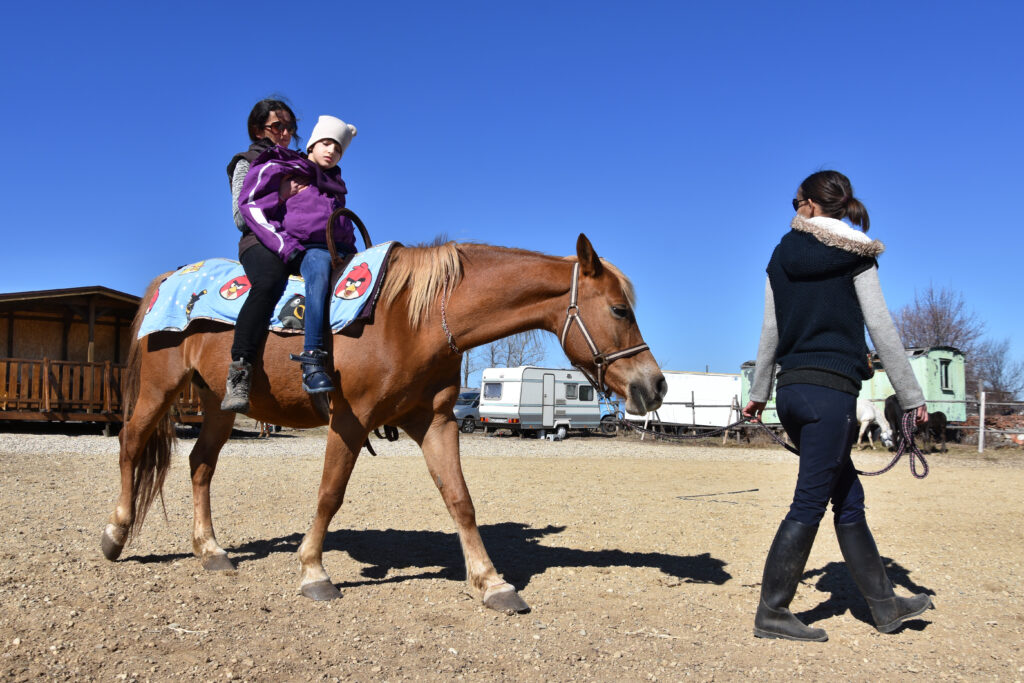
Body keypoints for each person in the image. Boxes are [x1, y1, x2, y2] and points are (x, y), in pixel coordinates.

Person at [743, 170, 933, 642]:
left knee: (848, 500)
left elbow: (771, 331)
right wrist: (910, 397)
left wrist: (759, 392)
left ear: (808, 204)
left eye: (794, 200)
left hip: (792, 393)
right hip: (831, 394)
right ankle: (772, 611)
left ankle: (886, 606)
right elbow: (882, 328)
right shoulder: (858, 254)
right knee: (809, 500)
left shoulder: (780, 255)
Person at [237, 115, 358, 394]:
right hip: (307, 249)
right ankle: (312, 360)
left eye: (338, 148)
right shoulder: (285, 169)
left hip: (341, 250)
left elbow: (342, 227)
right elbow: (253, 207)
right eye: (326, 143)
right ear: (312, 146)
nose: (331, 151)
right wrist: (285, 245)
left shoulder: (336, 188)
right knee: (319, 275)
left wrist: (355, 254)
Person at [222, 99, 301, 412]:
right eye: (277, 127)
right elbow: (240, 218)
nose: (284, 133)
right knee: (269, 281)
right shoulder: (247, 162)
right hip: (259, 241)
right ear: (258, 129)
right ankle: (240, 369)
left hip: (297, 240)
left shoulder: (300, 163)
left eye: (290, 128)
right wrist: (281, 195)